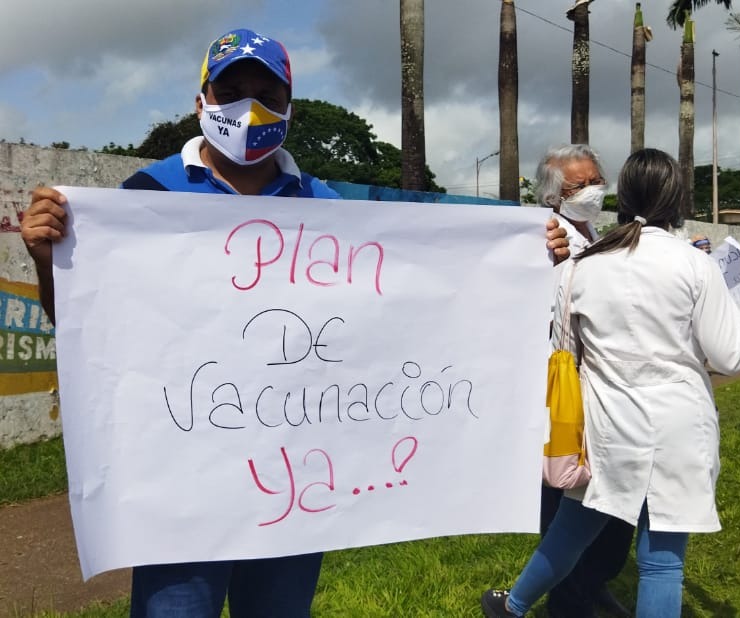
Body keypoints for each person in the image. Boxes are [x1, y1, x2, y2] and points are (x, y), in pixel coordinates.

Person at [20, 28, 570, 618]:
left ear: (289, 107)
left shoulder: (325, 207)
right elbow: (90, 333)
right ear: (202, 98)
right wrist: (50, 262)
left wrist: (523, 259)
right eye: (233, 89)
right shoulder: (146, 194)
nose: (250, 105)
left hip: (295, 490)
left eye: (267, 92)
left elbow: (411, 306)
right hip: (181, 493)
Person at [481, 148, 740, 618]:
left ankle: (514, 605)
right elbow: (731, 355)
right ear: (676, 199)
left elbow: (565, 352)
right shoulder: (692, 264)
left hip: (605, 423)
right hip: (678, 425)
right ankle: (517, 604)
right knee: (660, 565)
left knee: (574, 525)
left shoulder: (581, 266)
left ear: (621, 195)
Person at [533, 144, 633, 618]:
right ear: (555, 196)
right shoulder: (544, 238)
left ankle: (592, 581)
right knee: (568, 497)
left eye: (597, 179)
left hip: (605, 383)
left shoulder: (595, 235)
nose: (594, 189)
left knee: (610, 502)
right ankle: (569, 598)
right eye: (580, 184)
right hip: (567, 387)